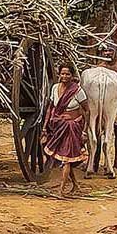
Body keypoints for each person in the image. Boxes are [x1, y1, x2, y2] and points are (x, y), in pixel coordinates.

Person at [42, 61, 89, 196]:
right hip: (58, 126)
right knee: (65, 156)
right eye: (63, 73)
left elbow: (87, 110)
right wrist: (45, 127)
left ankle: (61, 190)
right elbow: (51, 108)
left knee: (67, 158)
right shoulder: (55, 88)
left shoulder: (77, 91)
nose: (65, 76)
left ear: (72, 75)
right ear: (59, 74)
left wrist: (84, 130)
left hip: (72, 127)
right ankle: (75, 185)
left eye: (68, 74)